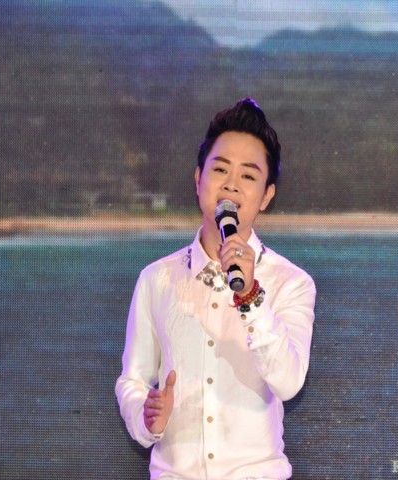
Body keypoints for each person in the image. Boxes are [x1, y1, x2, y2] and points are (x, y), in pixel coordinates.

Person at [115, 98, 316, 480]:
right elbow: (133, 380)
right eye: (220, 169)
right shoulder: (157, 279)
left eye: (248, 176)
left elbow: (289, 382)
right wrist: (146, 417)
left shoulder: (290, 283)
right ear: (198, 179)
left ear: (267, 196)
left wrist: (250, 294)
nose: (231, 184)